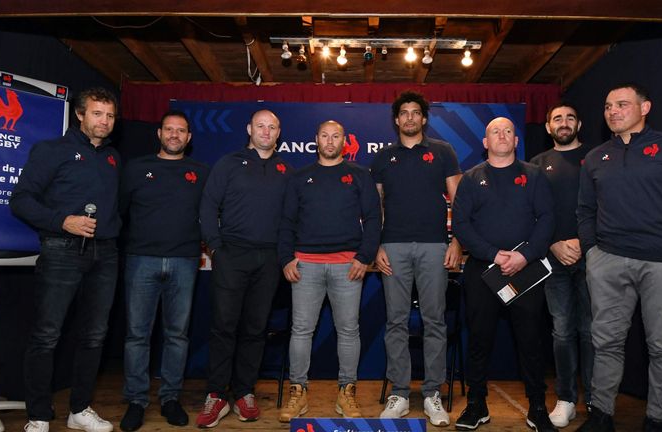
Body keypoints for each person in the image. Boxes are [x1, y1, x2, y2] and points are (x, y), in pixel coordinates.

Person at [575, 83, 662, 432]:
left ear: (645, 107)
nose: (613, 111)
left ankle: (657, 420)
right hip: (607, 261)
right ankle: (601, 416)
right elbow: (584, 210)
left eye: (622, 104)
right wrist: (593, 252)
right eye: (608, 106)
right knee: (605, 343)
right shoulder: (595, 157)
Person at [10, 88, 120, 432]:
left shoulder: (114, 158)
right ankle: (39, 415)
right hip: (61, 250)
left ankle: (80, 409)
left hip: (105, 254)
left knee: (94, 336)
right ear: (80, 115)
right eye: (97, 114)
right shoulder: (51, 150)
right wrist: (63, 221)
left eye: (110, 116)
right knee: (46, 335)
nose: (104, 121)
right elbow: (21, 199)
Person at [451, 117, 556, 432]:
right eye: (494, 131)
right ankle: (476, 405)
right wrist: (493, 255)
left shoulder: (534, 176)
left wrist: (524, 256)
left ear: (515, 141)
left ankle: (537, 407)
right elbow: (461, 225)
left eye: (507, 131)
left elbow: (548, 218)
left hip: (526, 271)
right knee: (479, 339)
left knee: (530, 340)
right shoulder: (470, 179)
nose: (501, 135)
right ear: (485, 142)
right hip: (483, 271)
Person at [276, 120, 381, 422]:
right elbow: (286, 222)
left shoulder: (360, 175)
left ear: (345, 141)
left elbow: (374, 218)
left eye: (336, 136)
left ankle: (346, 392)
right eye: (325, 135)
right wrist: (286, 258)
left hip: (348, 266)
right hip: (305, 265)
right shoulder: (299, 178)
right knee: (301, 331)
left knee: (349, 331)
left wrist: (365, 257)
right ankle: (299, 391)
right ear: (316, 140)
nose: (330, 140)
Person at [195, 109, 292, 428]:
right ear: (249, 129)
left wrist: (284, 255)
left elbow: (291, 218)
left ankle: (244, 392)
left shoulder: (284, 169)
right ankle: (215, 394)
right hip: (232, 255)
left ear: (279, 133)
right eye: (260, 126)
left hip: (268, 260)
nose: (266, 131)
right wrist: (216, 247)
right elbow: (209, 204)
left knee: (255, 328)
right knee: (224, 326)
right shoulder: (229, 163)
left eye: (272, 127)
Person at [371, 90, 462, 427]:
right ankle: (398, 393)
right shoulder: (383, 157)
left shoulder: (443, 151)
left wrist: (458, 242)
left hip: (434, 246)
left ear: (424, 119)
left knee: (434, 321)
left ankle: (432, 394)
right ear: (396, 120)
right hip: (392, 247)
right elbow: (372, 208)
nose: (409, 118)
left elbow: (460, 199)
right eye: (403, 113)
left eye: (415, 113)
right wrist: (375, 247)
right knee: (395, 321)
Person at [118, 111, 209, 431]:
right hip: (141, 260)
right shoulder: (136, 168)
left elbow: (210, 216)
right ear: (158, 133)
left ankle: (170, 398)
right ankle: (136, 401)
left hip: (185, 262)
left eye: (180, 131)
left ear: (189, 137)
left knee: (177, 335)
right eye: (169, 130)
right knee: (137, 336)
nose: (174, 135)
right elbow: (119, 212)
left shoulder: (201, 172)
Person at [530, 102, 594, 427]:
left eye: (570, 117)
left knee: (592, 331)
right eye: (557, 118)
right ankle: (567, 398)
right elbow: (533, 213)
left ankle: (597, 401)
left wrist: (585, 243)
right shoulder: (536, 165)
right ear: (548, 127)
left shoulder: (597, 158)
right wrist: (554, 243)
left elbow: (607, 206)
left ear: (579, 123)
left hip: (592, 256)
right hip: (552, 259)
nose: (564, 122)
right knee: (563, 331)